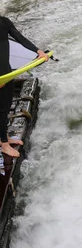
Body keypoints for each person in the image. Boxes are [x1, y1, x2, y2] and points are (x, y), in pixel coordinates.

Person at [0, 17, 48, 158]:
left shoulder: (4, 22)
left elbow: (21, 39)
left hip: (7, 73)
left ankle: (5, 138)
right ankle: (4, 144)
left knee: (6, 107)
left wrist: (38, 51)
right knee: (1, 111)